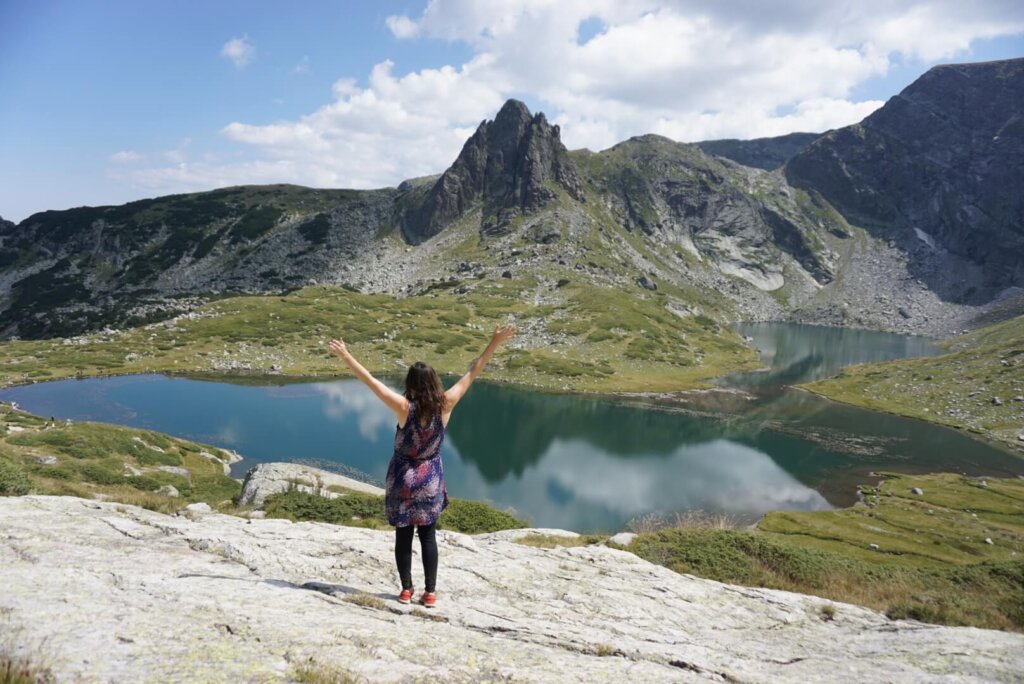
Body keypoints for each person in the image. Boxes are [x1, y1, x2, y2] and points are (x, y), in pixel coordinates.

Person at [328, 323, 515, 607]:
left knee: (403, 535)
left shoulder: (404, 408)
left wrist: (346, 356)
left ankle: (405, 590)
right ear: (434, 381)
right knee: (428, 536)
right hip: (430, 479)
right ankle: (430, 593)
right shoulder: (447, 404)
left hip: (404, 478)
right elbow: (473, 371)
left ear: (411, 384)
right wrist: (494, 342)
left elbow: (370, 381)